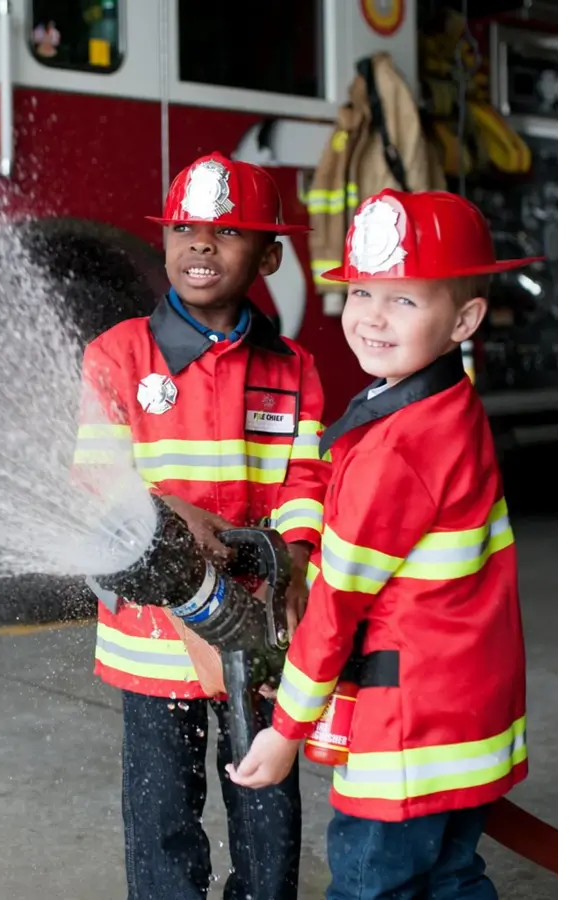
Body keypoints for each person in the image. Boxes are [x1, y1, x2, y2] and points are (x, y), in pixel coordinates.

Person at [227, 188, 540, 900]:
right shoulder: (448, 404)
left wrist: (285, 730)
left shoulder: (396, 448)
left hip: (407, 733)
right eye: (362, 291)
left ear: (465, 319)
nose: (371, 316)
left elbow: (339, 603)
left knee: (373, 885)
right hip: (467, 714)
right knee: (451, 877)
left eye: (403, 299)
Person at [73, 151, 330, 900]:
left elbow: (306, 481)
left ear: (270, 256)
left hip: (258, 628)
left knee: (266, 805)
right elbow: (95, 477)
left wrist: (295, 563)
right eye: (183, 229)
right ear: (164, 242)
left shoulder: (293, 368)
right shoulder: (117, 356)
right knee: (162, 818)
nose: (201, 245)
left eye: (228, 232)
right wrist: (165, 509)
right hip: (153, 643)